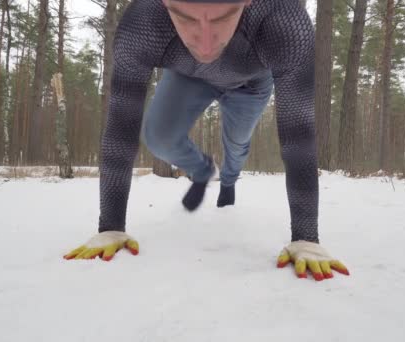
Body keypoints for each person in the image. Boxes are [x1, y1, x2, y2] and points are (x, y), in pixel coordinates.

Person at [64, 0, 349, 281]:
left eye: (221, 18)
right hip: (189, 76)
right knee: (159, 138)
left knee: (237, 142)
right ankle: (202, 170)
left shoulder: (284, 20)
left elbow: (298, 134)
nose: (205, 45)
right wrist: (110, 226)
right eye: (186, 19)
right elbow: (120, 125)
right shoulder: (143, 22)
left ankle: (229, 179)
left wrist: (306, 237)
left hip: (251, 84)